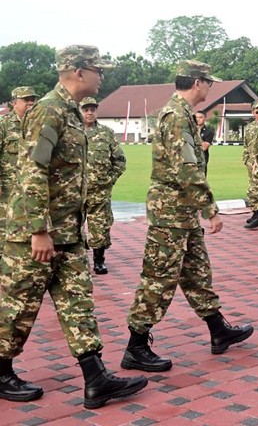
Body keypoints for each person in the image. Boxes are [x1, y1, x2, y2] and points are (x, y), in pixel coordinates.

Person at [0, 45, 147, 408]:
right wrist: (38, 228)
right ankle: (0, 370)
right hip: (36, 234)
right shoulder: (48, 111)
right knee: (18, 306)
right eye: (99, 70)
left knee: (77, 304)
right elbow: (32, 171)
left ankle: (96, 378)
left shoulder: (68, 112)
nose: (103, 77)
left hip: (66, 232)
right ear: (79, 72)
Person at [122, 60, 254, 374]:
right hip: (170, 212)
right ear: (197, 82)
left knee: (196, 272)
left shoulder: (181, 115)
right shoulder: (176, 117)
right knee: (159, 278)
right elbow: (186, 168)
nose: (209, 88)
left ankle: (218, 330)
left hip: (182, 210)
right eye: (208, 82)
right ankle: (135, 347)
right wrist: (210, 208)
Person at [81, 97, 126, 275]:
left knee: (100, 227)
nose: (90, 112)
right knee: (71, 227)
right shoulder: (70, 132)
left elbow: (120, 160)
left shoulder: (106, 133)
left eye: (93, 109)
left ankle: (99, 261)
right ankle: (75, 261)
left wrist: (110, 180)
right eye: (86, 109)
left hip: (100, 191)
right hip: (74, 191)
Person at [0, 87, 38, 258]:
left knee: (32, 228)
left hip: (32, 191)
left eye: (33, 99)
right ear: (14, 103)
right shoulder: (4, 124)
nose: (31, 103)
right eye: (26, 100)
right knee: (4, 231)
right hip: (8, 191)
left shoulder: (40, 125)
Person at [196, 111, 214, 175]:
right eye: (196, 117)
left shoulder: (209, 132)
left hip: (201, 160)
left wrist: (197, 134)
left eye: (200, 117)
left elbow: (204, 147)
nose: (198, 119)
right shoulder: (189, 130)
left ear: (205, 118)